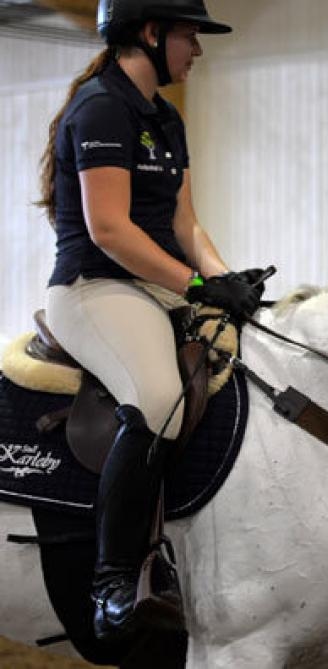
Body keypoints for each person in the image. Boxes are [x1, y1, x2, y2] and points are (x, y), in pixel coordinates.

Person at [35, 0, 265, 641]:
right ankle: (112, 579)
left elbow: (184, 222)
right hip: (94, 287)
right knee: (160, 397)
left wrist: (224, 278)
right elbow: (109, 230)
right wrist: (195, 284)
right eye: (190, 36)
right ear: (150, 32)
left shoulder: (163, 116)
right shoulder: (101, 108)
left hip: (155, 286)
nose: (198, 49)